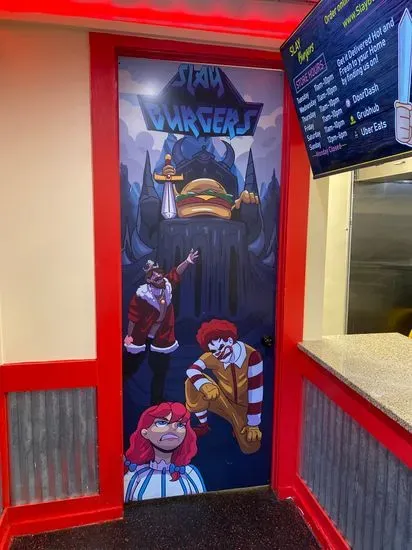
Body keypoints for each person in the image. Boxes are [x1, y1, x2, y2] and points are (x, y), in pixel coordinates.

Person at [123, 250, 198, 404]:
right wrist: (129, 336)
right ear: (148, 280)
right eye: (153, 276)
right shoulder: (142, 296)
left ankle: (156, 402)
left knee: (160, 371)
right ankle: (116, 390)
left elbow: (176, 273)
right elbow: (133, 318)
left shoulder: (167, 286)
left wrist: (187, 261)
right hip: (141, 337)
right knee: (130, 366)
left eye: (158, 273)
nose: (157, 276)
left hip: (161, 338)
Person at [185, 319, 264, 455]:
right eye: (214, 351)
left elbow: (256, 391)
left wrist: (253, 424)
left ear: (230, 340)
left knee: (251, 446)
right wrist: (204, 384)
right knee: (191, 382)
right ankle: (204, 425)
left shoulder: (252, 356)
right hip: (223, 402)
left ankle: (239, 426)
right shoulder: (212, 356)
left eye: (221, 347)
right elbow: (192, 370)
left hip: (244, 409)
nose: (219, 353)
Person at [124, 402, 206, 501]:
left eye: (180, 424)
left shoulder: (190, 473)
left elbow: (202, 506)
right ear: (145, 433)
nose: (173, 428)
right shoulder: (136, 474)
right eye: (162, 423)